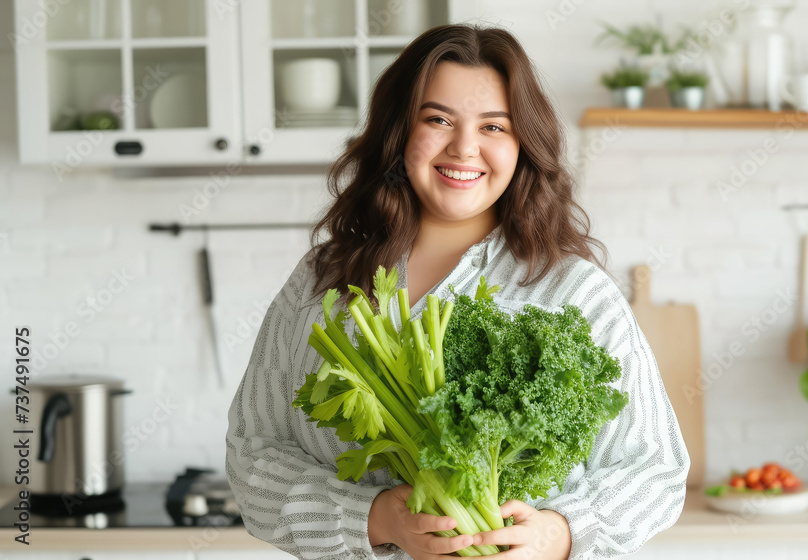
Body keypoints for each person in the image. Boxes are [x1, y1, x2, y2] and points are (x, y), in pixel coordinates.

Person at [226, 23, 690, 560]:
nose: (464, 147)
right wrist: (376, 519)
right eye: (438, 119)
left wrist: (557, 533)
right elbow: (253, 457)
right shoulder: (320, 281)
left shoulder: (575, 291)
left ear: (522, 144)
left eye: (494, 126)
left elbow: (655, 470)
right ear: (400, 134)